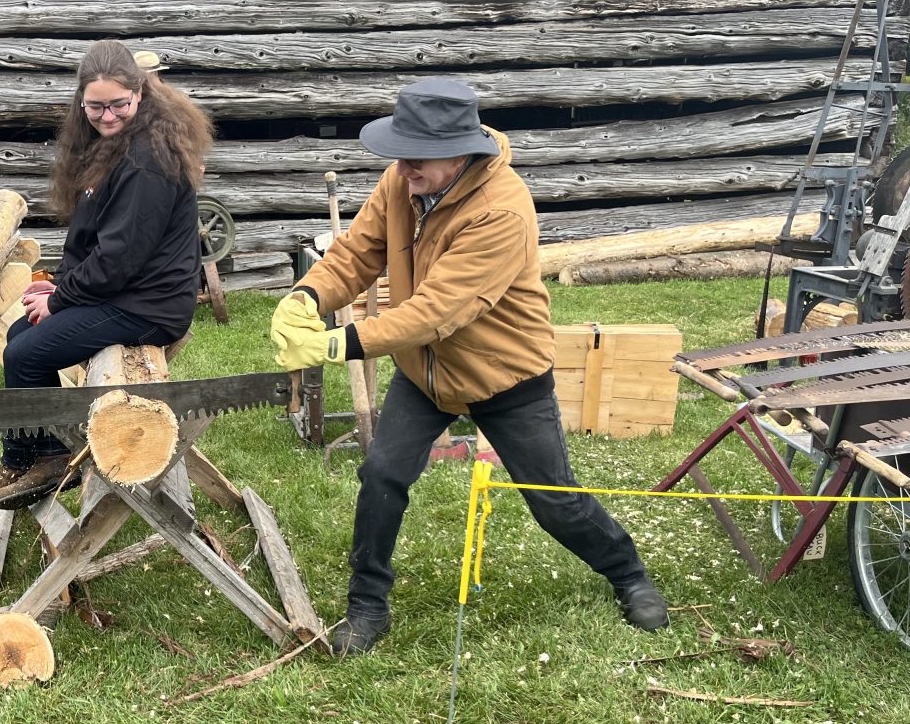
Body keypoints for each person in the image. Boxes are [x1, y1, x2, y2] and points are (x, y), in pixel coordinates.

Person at [270, 77, 669, 655]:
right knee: (382, 475)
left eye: (414, 158)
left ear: (459, 152)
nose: (402, 169)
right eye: (399, 155)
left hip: (505, 378)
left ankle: (629, 573)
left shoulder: (502, 210)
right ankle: (367, 606)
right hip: (423, 376)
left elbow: (438, 312)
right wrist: (308, 296)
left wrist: (339, 345)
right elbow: (359, 252)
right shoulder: (403, 179)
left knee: (553, 499)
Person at [0, 39, 213, 515]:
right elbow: (95, 238)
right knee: (20, 332)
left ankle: (34, 461)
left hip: (149, 307)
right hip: (126, 294)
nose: (108, 115)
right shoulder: (113, 146)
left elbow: (119, 259)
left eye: (119, 104)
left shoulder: (148, 159)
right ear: (81, 101)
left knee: (26, 353)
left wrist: (61, 300)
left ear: (139, 94)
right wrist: (60, 285)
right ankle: (44, 451)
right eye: (96, 106)